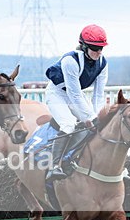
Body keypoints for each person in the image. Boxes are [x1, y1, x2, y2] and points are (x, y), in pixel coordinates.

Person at [44, 24, 109, 181]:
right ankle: (54, 167)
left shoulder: (103, 63)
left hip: (76, 95)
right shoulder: (70, 61)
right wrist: (90, 118)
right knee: (68, 123)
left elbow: (98, 95)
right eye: (95, 48)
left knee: (96, 124)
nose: (99, 52)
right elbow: (74, 95)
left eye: (102, 48)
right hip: (57, 94)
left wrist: (98, 117)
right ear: (84, 46)